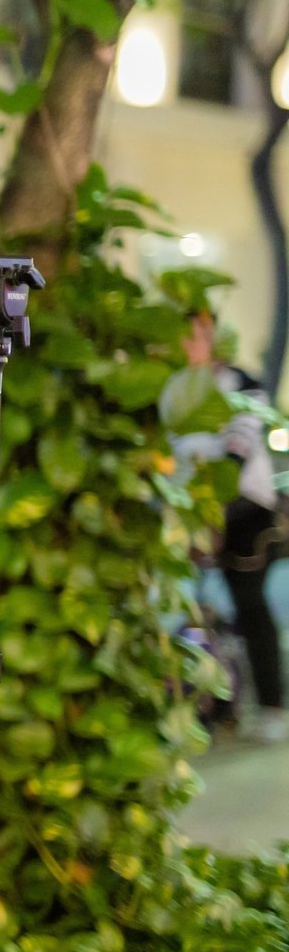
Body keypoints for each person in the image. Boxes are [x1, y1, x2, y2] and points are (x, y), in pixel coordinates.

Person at [176, 310, 289, 742]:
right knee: (198, 611)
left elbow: (239, 446)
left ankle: (273, 705)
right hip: (194, 511)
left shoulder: (243, 383)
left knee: (250, 605)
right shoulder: (174, 389)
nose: (192, 343)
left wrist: (214, 511)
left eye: (200, 334)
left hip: (244, 510)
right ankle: (216, 705)